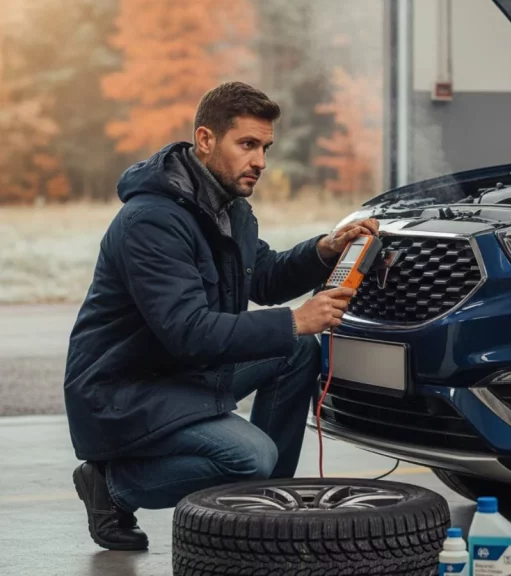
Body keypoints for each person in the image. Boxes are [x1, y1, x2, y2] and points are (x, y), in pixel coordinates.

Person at [63, 81, 379, 551]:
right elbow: (189, 332)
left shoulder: (229, 210)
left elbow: (264, 277)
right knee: (250, 457)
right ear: (206, 139)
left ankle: (266, 511)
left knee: (296, 351)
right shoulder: (152, 221)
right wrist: (295, 319)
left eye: (266, 148)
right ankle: (111, 487)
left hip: (180, 372)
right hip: (125, 391)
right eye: (247, 144)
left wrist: (323, 250)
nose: (261, 161)